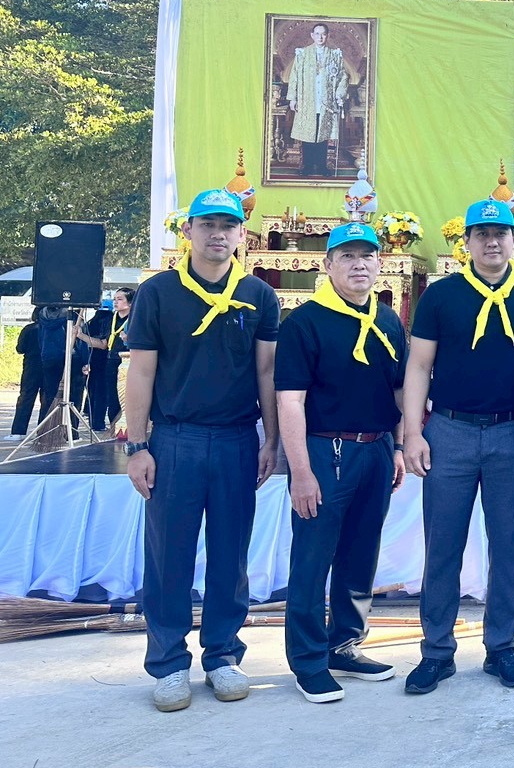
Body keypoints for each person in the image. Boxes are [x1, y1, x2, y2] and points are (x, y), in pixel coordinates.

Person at [123, 188, 281, 713]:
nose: (218, 234)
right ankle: (168, 662)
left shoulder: (258, 295)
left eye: (228, 225)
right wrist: (138, 445)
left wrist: (271, 439)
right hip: (175, 440)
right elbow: (141, 371)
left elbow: (266, 371)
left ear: (241, 234)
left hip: (237, 440)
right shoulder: (158, 293)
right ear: (187, 230)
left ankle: (222, 655)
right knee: (168, 555)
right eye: (207, 224)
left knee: (231, 554)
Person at [401, 198, 514, 695]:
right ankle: (436, 651)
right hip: (450, 432)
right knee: (442, 544)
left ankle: (502, 646)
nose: (492, 241)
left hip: (512, 433)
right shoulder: (441, 296)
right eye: (482, 233)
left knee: (507, 545)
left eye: (501, 233)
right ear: (465, 242)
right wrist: (412, 432)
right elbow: (418, 366)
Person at [276, 221, 407, 703]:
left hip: (376, 449)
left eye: (367, 255)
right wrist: (300, 472)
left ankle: (345, 645)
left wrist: (396, 447)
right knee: (313, 558)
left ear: (379, 263)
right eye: (347, 256)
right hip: (324, 451)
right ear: (327, 265)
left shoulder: (387, 320)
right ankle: (308, 660)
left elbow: (397, 389)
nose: (358, 264)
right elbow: (290, 400)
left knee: (360, 553)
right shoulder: (305, 322)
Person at [283, 22, 359, 177]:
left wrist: (339, 95)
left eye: (323, 34)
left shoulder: (334, 55)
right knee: (308, 134)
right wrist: (293, 98)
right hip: (307, 100)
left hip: (326, 102)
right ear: (312, 35)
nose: (320, 37)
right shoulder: (302, 54)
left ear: (328, 36)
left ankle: (322, 166)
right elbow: (294, 76)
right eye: (317, 34)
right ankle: (307, 165)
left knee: (323, 134)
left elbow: (343, 77)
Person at [79, 288, 133, 433]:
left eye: (120, 299)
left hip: (130, 362)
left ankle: (131, 429)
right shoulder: (110, 319)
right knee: (112, 398)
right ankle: (115, 429)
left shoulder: (136, 319)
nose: (116, 302)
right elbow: (103, 344)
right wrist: (81, 336)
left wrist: (130, 339)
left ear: (130, 303)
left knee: (128, 397)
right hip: (111, 361)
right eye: (115, 299)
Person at [6, 309, 41, 439]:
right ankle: (43, 432)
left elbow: (20, 349)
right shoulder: (55, 328)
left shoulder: (29, 329)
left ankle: (18, 431)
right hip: (50, 366)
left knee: (26, 398)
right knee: (47, 399)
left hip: (31, 366)